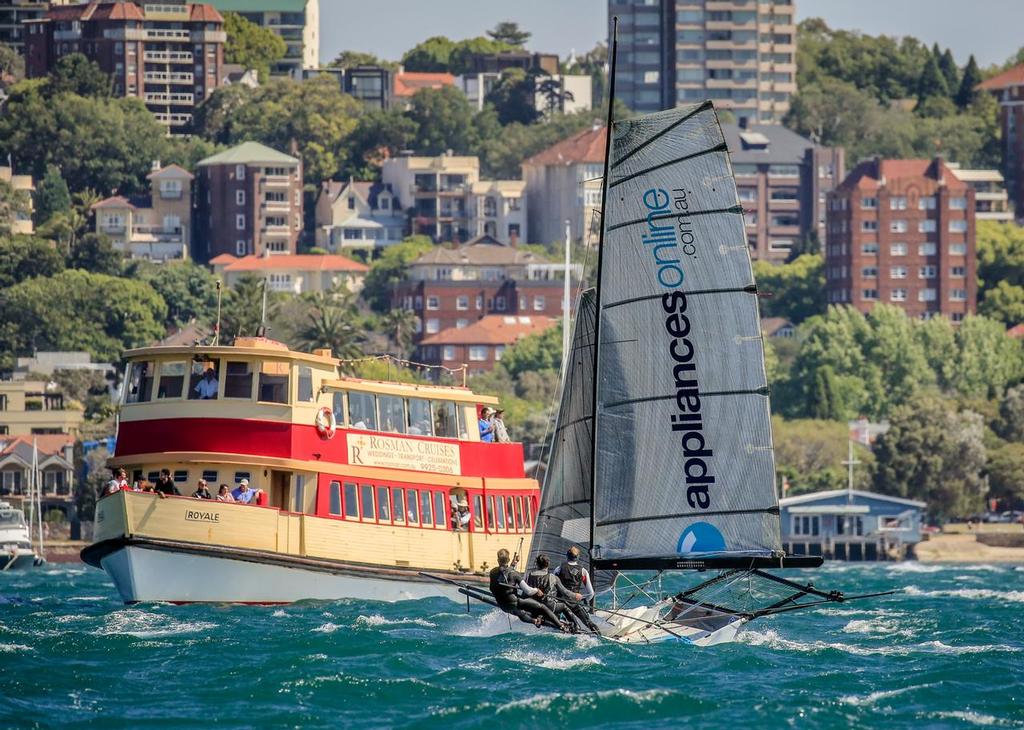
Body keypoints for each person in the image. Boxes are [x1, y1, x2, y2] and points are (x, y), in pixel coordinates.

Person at [488, 548, 563, 629]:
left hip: (502, 605)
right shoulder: (515, 574)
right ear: (509, 559)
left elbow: (503, 574)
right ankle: (561, 626)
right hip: (514, 604)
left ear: (497, 560)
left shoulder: (492, 572)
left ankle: (534, 621)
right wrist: (537, 590)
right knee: (542, 607)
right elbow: (528, 591)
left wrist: (514, 564)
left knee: (520, 612)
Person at [526, 554, 588, 633]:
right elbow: (565, 592)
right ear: (548, 564)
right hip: (549, 606)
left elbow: (526, 592)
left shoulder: (529, 576)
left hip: (534, 607)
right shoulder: (552, 577)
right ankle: (576, 627)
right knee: (563, 606)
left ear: (537, 564)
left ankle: (542, 619)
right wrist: (575, 595)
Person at [554, 546, 600, 633]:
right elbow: (591, 593)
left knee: (559, 621)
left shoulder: (558, 569)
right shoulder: (583, 571)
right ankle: (599, 635)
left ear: (567, 555)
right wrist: (585, 600)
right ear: (578, 557)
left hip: (560, 603)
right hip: (574, 603)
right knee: (589, 623)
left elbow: (552, 587)